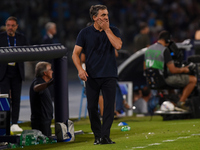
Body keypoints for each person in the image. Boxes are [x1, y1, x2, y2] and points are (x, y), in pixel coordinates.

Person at [72, 4, 122, 145]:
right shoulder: (85, 33)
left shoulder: (113, 30)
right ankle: (97, 136)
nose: (106, 18)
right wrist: (80, 70)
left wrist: (107, 30)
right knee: (92, 108)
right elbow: (75, 54)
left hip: (109, 74)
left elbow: (118, 45)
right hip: (92, 76)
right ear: (95, 18)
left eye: (107, 15)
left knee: (108, 107)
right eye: (103, 15)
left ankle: (105, 136)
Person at [144, 30, 197, 109]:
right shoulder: (164, 50)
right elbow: (173, 70)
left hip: (152, 81)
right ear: (167, 40)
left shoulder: (148, 50)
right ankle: (181, 103)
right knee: (193, 80)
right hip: (164, 80)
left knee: (170, 85)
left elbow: (145, 68)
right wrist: (184, 69)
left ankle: (173, 105)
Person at [0, 16, 28, 132]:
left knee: (16, 98)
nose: (10, 28)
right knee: (4, 99)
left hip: (17, 72)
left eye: (12, 26)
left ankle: (15, 123)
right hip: (4, 73)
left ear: (16, 27)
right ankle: (4, 124)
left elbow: (28, 52)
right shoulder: (1, 38)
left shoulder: (21, 38)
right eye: (8, 25)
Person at [29, 62, 54, 137]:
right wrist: (49, 83)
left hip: (45, 120)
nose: (52, 71)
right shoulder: (38, 82)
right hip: (41, 121)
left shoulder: (42, 82)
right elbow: (36, 88)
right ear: (45, 73)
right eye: (50, 70)